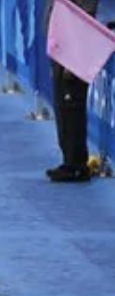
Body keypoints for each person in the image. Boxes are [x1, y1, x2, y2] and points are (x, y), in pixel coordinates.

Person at [46, 0, 101, 182]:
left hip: (73, 43)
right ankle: (69, 160)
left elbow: (84, 16)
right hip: (61, 41)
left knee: (71, 104)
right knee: (62, 104)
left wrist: (74, 52)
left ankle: (76, 164)